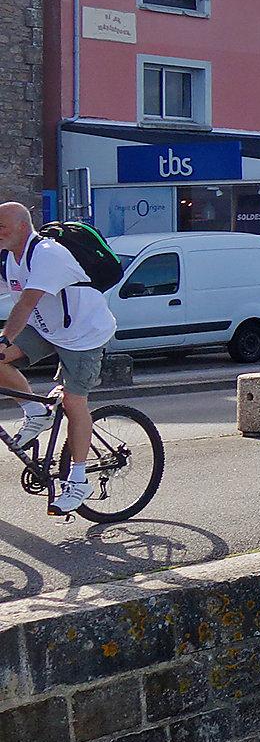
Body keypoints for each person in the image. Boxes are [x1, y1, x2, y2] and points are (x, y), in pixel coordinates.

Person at [0, 204, 116, 516]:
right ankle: (36, 412)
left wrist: (4, 339)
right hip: (47, 329)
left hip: (83, 335)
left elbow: (26, 304)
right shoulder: (10, 259)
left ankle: (78, 481)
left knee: (73, 402)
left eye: (2, 227)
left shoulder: (49, 254)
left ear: (23, 227)